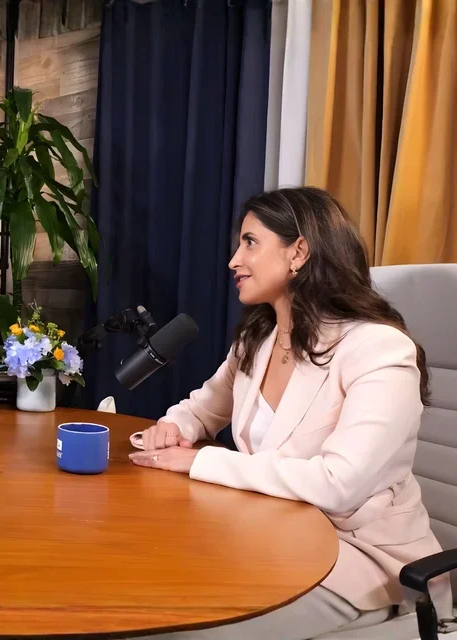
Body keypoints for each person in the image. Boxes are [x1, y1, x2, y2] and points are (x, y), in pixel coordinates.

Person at [129, 187, 453, 639]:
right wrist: (174, 426)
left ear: (299, 251)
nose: (234, 261)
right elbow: (203, 409)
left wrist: (203, 460)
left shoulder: (379, 349)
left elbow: (338, 484)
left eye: (250, 243)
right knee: (141, 588)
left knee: (181, 626)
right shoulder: (257, 341)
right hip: (268, 535)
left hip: (363, 560)